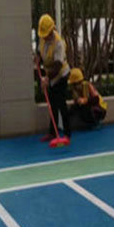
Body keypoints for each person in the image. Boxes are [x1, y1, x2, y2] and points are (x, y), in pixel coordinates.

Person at [35, 13, 71, 144]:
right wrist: (37, 58)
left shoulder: (58, 43)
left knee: (61, 103)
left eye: (46, 33)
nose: (44, 36)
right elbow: (39, 51)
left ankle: (67, 134)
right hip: (50, 75)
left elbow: (58, 65)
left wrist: (46, 79)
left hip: (61, 75)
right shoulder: (42, 39)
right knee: (52, 104)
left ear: (51, 30)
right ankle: (52, 132)